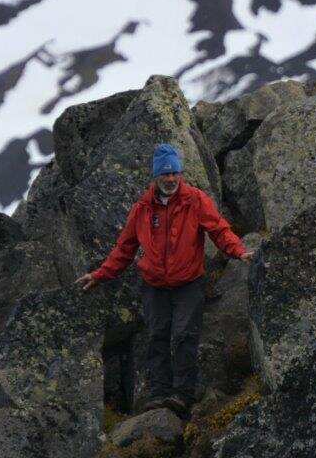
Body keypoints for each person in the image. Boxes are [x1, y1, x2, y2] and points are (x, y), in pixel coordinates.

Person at [75, 143, 252, 416]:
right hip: (154, 286)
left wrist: (239, 251)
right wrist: (100, 275)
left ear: (180, 174)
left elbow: (219, 229)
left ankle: (182, 395)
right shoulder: (142, 208)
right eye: (165, 175)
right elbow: (125, 248)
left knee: (184, 336)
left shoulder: (195, 200)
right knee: (157, 337)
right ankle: (158, 394)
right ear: (155, 177)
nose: (170, 179)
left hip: (189, 283)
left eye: (174, 174)